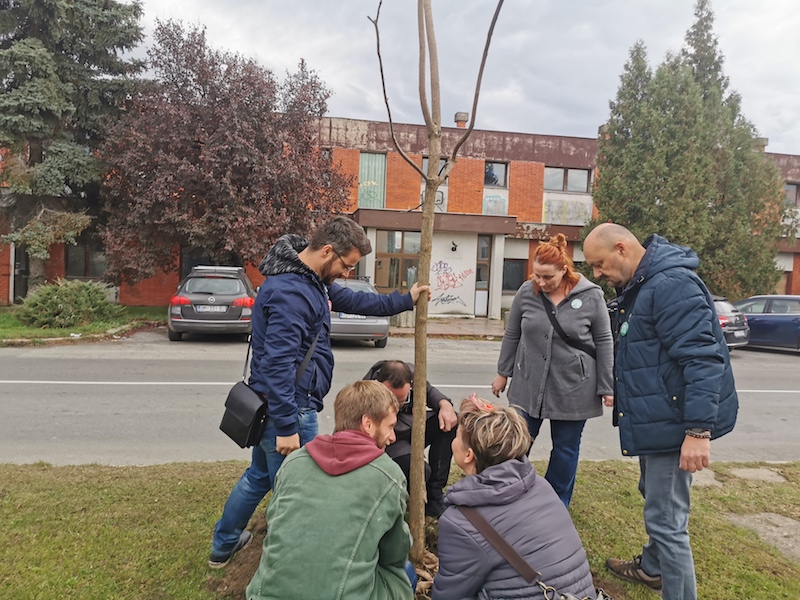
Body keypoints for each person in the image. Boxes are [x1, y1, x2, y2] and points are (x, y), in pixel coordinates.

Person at [209, 216, 429, 569]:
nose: (346, 273)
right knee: (299, 491)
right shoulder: (291, 294)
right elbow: (277, 366)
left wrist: (405, 299)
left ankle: (224, 545)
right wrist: (286, 427)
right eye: (347, 265)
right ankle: (290, 563)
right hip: (290, 409)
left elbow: (354, 301)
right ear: (327, 251)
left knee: (259, 477)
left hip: (279, 405)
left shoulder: (309, 281)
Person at [582, 223, 738, 600]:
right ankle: (653, 569)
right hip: (657, 417)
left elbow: (703, 360)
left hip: (676, 424)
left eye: (599, 265)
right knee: (653, 496)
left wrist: (698, 432)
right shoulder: (642, 284)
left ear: (621, 248)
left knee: (667, 522)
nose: (597, 275)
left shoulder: (670, 286)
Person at [247, 380, 415, 600]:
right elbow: (395, 554)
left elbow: (276, 523)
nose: (392, 437)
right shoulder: (388, 475)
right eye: (390, 426)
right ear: (368, 424)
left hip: (264, 594)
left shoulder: (293, 462)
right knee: (407, 573)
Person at [491, 233, 614, 507]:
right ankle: (511, 496)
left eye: (548, 277)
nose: (541, 283)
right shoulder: (527, 292)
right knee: (516, 444)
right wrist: (503, 373)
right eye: (537, 276)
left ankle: (555, 505)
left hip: (573, 386)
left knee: (566, 450)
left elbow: (605, 342)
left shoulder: (591, 297)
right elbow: (512, 334)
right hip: (528, 381)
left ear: (564, 270)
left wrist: (607, 386)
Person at [432, 395, 596, 600]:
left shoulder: (460, 522)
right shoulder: (541, 486)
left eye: (456, 437)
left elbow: (450, 595)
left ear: (468, 455)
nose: (453, 442)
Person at [363, 360, 458, 518]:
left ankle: (434, 496)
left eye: (401, 400)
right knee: (421, 471)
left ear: (411, 383)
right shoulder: (366, 391)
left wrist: (445, 405)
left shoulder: (414, 376)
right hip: (391, 440)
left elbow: (432, 393)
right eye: (392, 399)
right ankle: (401, 507)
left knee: (450, 421)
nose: (397, 405)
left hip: (413, 428)